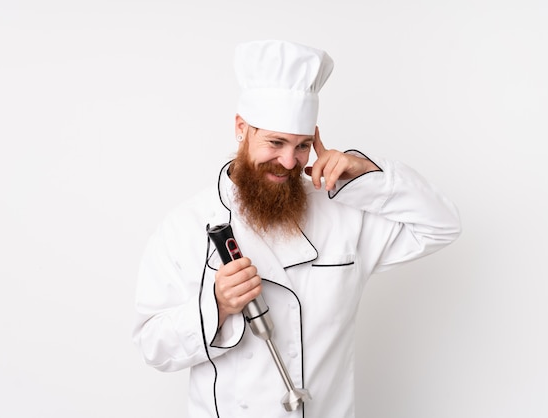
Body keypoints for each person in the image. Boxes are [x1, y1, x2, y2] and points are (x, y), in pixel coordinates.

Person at [133, 39, 461, 418]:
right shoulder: (187, 226)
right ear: (241, 128)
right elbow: (153, 346)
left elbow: (442, 226)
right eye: (275, 142)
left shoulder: (343, 214)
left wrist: (366, 173)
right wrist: (217, 306)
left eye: (303, 146)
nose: (289, 161)